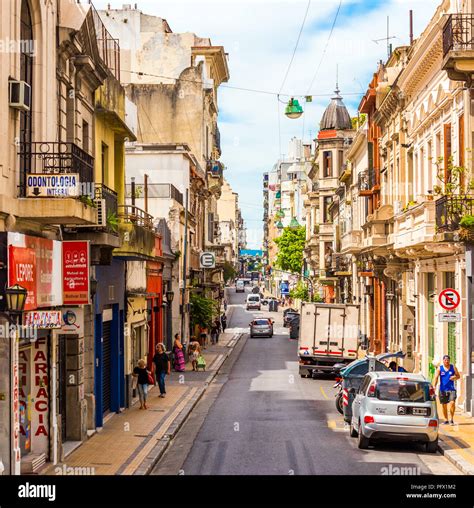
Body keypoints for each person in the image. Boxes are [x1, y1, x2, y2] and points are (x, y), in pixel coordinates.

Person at [433, 355, 460, 425]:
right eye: (445, 360)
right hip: (442, 389)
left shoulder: (453, 367)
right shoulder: (440, 368)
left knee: (452, 403)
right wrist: (434, 386)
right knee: (444, 405)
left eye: (448, 360)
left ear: (449, 360)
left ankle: (451, 419)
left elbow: (458, 376)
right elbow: (436, 377)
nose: (447, 361)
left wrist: (454, 377)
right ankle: (446, 420)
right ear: (443, 361)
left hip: (451, 389)